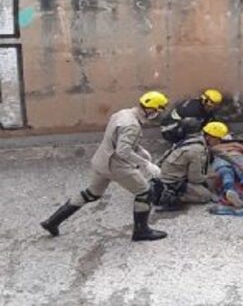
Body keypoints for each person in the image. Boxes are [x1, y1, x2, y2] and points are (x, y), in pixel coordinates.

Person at [40, 92, 170, 241]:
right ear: (151, 109)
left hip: (101, 161)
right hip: (116, 166)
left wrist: (140, 150)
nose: (157, 115)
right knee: (144, 192)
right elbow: (123, 151)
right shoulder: (132, 125)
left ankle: (52, 221)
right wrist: (146, 164)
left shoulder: (122, 114)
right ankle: (141, 231)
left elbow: (118, 139)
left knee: (91, 194)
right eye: (158, 111)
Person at [152, 120, 218, 209]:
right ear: (210, 137)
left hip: (170, 174)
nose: (219, 142)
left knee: (208, 183)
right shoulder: (197, 150)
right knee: (205, 196)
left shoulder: (194, 140)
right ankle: (169, 197)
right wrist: (209, 176)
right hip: (172, 181)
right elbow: (195, 178)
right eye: (218, 139)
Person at [207, 125, 243, 208]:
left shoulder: (238, 140)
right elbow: (214, 149)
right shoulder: (234, 143)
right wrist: (234, 146)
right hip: (230, 156)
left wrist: (229, 147)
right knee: (230, 172)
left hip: (232, 157)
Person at [160, 88, 224, 143]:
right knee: (194, 125)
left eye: (216, 105)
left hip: (176, 125)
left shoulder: (201, 106)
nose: (214, 107)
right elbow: (193, 127)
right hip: (170, 130)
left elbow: (211, 121)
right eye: (212, 104)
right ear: (204, 100)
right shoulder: (193, 111)